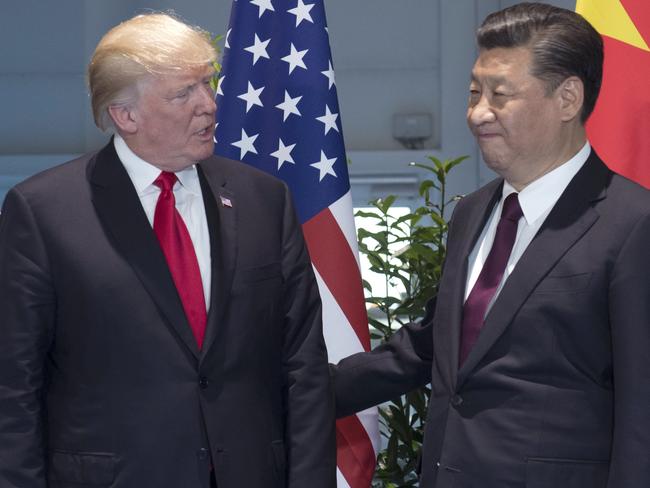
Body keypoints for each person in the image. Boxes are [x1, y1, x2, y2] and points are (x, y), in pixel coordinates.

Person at [0, 13, 335, 488]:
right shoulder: (43, 212)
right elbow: (13, 387)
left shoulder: (265, 199)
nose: (210, 105)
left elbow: (303, 367)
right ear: (125, 115)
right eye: (184, 93)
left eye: (207, 83)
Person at [332, 3, 650, 487]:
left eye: (501, 95)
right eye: (474, 92)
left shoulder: (633, 223)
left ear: (567, 99)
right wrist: (293, 388)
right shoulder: (473, 212)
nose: (478, 113)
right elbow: (433, 345)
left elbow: (641, 410)